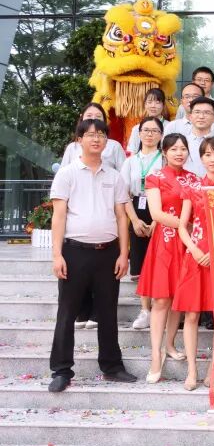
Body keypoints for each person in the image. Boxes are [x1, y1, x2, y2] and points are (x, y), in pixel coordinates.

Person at [47, 117, 136, 393]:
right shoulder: (67, 174)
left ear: (107, 141)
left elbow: (121, 217)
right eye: (90, 134)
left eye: (101, 135)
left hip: (108, 253)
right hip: (75, 252)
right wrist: (57, 255)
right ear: (79, 140)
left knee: (108, 311)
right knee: (67, 312)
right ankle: (61, 370)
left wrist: (124, 253)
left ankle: (112, 366)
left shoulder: (114, 176)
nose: (96, 139)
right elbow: (58, 216)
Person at [139, 133, 199, 383]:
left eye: (183, 149)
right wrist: (185, 226)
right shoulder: (155, 177)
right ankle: (156, 354)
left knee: (178, 297)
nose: (179, 153)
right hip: (165, 242)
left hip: (188, 243)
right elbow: (156, 213)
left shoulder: (194, 179)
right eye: (173, 149)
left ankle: (171, 343)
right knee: (162, 298)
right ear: (164, 151)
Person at [174, 136, 214, 390]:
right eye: (207, 154)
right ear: (201, 158)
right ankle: (192, 371)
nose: (213, 159)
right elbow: (182, 226)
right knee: (192, 314)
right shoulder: (193, 188)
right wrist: (194, 250)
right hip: (195, 255)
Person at [120, 115, 163, 330]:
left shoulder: (165, 159)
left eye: (154, 131)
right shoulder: (130, 161)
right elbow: (123, 194)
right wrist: (135, 220)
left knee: (159, 262)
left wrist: (157, 220)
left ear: (161, 135)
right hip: (137, 208)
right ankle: (145, 310)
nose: (150, 134)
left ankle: (160, 308)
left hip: (161, 210)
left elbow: (169, 191)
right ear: (139, 133)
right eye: (146, 130)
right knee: (141, 264)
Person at [62, 103, 125, 174]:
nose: (93, 119)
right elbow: (63, 173)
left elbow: (123, 175)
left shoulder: (115, 146)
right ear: (82, 118)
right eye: (89, 116)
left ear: (104, 120)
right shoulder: (72, 147)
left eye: (98, 116)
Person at [175, 97, 214, 176]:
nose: (201, 116)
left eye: (207, 112)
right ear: (190, 117)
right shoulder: (181, 142)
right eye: (197, 112)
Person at [126, 88, 168, 153]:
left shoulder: (170, 126)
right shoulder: (137, 128)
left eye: (157, 102)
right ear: (145, 104)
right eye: (149, 102)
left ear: (163, 105)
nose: (153, 106)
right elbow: (132, 151)